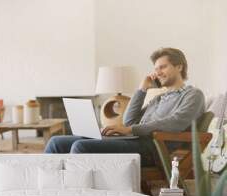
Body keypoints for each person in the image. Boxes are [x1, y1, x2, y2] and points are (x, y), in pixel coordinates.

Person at [44, 47, 205, 166]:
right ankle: (50, 191)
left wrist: (130, 130)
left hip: (154, 148)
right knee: (56, 142)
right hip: (134, 140)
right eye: (156, 69)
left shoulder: (193, 94)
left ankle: (77, 195)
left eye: (163, 67)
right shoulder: (160, 98)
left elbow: (176, 122)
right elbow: (129, 120)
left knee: (81, 147)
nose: (158, 73)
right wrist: (141, 90)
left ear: (179, 67)